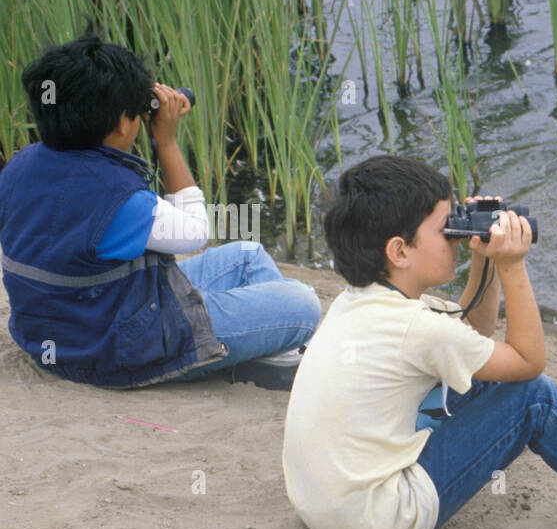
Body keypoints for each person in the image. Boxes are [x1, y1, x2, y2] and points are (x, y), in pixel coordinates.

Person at [281, 155, 557, 529]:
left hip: (323, 504)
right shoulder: (416, 328)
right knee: (532, 397)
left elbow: (472, 338)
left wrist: (483, 258)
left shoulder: (361, 301)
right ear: (400, 251)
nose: (455, 237)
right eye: (445, 229)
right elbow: (528, 362)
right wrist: (512, 266)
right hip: (383, 518)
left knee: (480, 373)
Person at [0, 33, 320, 389]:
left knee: (248, 257)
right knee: (303, 304)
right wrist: (165, 141)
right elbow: (197, 232)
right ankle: (262, 353)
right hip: (113, 349)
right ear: (124, 124)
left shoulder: (19, 166)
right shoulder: (119, 201)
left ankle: (269, 353)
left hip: (61, 329)